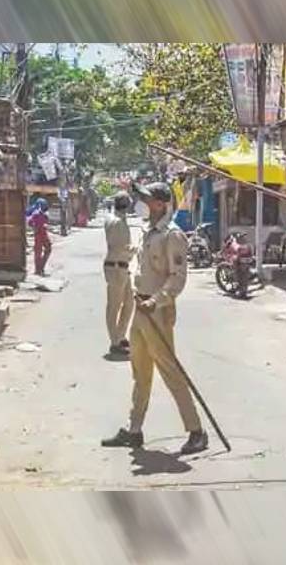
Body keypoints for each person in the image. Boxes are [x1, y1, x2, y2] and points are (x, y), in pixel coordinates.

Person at [102, 182, 208, 455]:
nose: (144, 203)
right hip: (141, 308)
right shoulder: (149, 231)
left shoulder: (172, 236)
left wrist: (156, 300)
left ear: (161, 204)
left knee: (170, 371)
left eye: (149, 200)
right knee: (141, 372)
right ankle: (134, 430)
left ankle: (196, 431)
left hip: (157, 311)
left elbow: (178, 278)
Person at [104, 191, 135, 356]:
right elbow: (122, 248)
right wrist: (136, 250)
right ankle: (114, 341)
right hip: (117, 267)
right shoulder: (118, 223)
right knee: (114, 306)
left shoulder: (114, 219)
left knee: (129, 303)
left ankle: (120, 335)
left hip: (121, 267)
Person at [28, 198, 52, 276]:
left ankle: (39, 268)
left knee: (39, 252)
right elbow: (31, 223)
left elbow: (30, 223)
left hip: (39, 234)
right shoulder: (40, 215)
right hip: (41, 234)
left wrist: (34, 227)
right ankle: (40, 268)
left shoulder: (37, 214)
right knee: (44, 250)